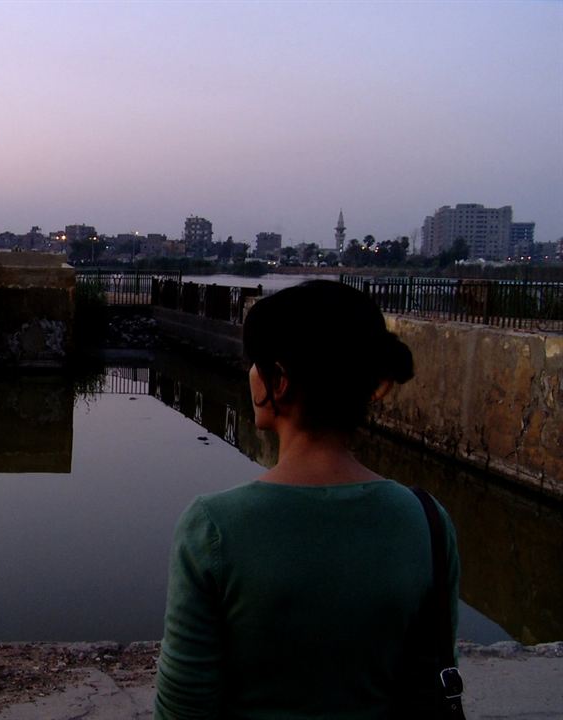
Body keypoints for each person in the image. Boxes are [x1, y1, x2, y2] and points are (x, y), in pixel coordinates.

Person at [154, 280, 460, 719]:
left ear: (277, 381)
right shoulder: (426, 522)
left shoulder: (214, 528)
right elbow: (424, 691)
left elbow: (183, 711)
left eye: (255, 365)